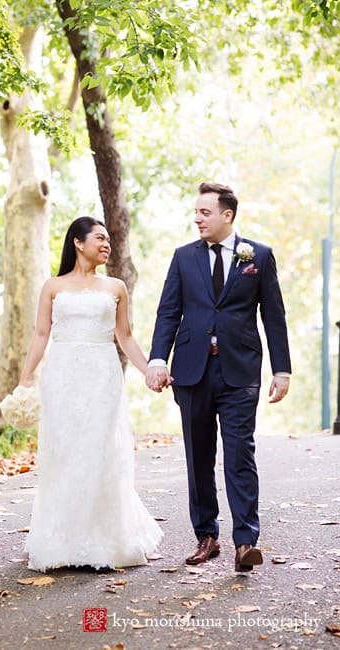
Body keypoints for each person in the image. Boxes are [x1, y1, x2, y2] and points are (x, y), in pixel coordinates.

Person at [146, 182, 291, 572]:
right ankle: (206, 536)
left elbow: (273, 315)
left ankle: (245, 541)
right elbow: (167, 312)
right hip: (192, 370)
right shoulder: (182, 257)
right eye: (195, 212)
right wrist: (157, 358)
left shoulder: (258, 255)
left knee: (240, 453)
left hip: (240, 371)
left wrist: (281, 369)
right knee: (198, 456)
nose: (197, 218)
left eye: (204, 212)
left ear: (227, 215)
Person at [19, 216, 162, 571]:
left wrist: (150, 370)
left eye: (109, 239)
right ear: (78, 243)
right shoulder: (52, 286)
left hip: (101, 374)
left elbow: (125, 337)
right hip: (62, 374)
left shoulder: (115, 287)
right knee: (64, 451)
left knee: (101, 450)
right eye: (100, 238)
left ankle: (104, 540)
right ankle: (61, 541)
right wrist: (25, 378)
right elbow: (41, 335)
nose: (107, 243)